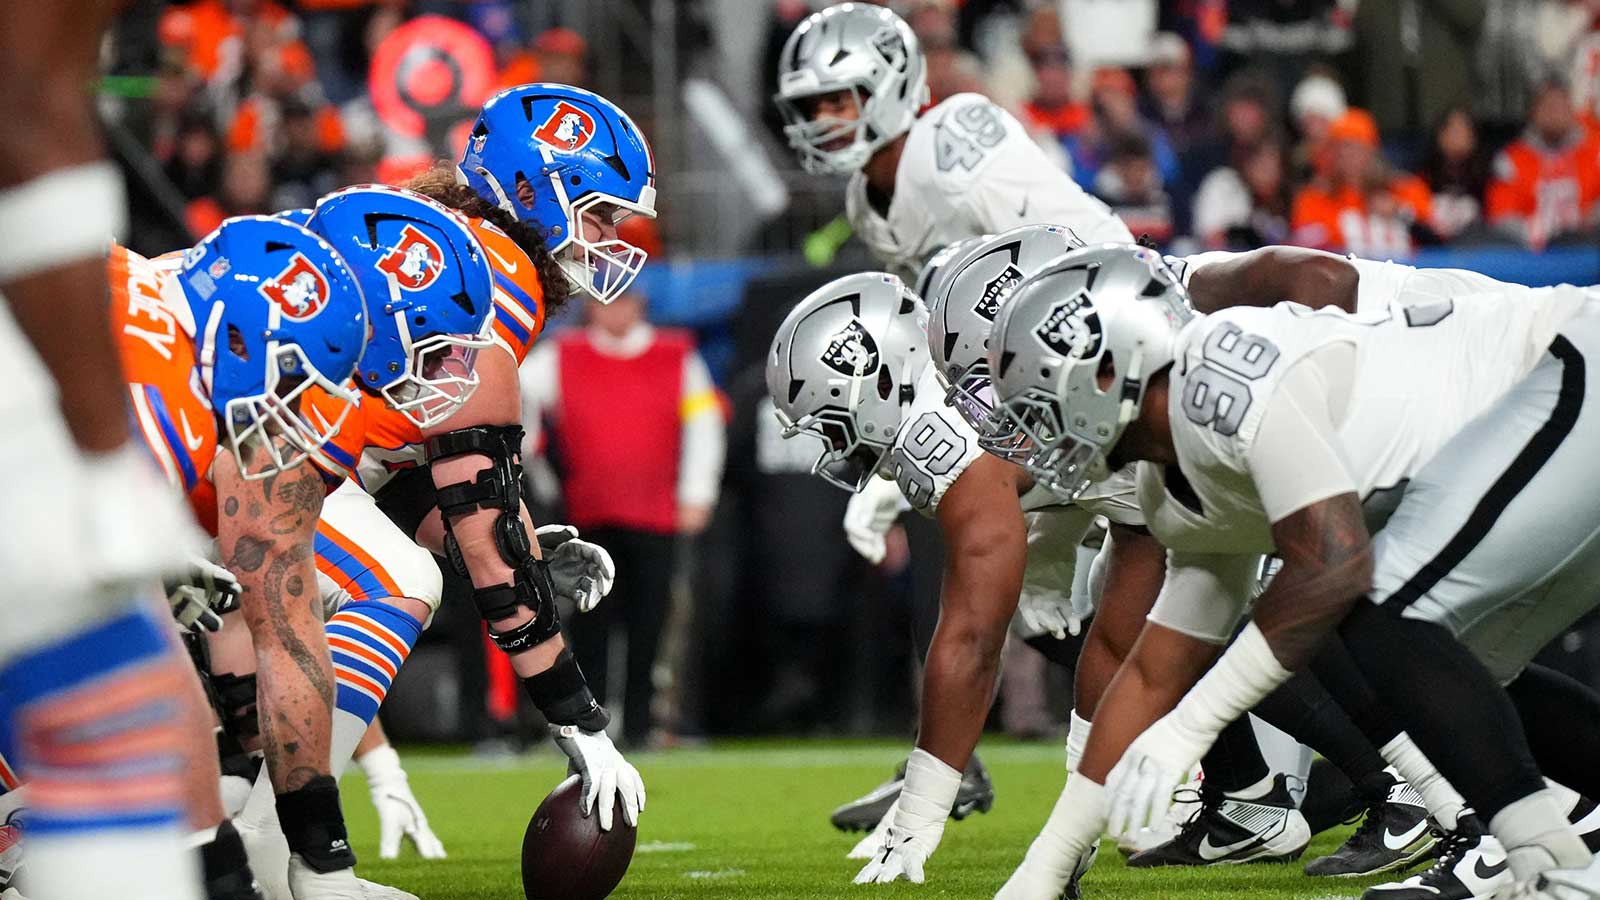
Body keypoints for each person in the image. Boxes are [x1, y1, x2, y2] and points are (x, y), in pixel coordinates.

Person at [986, 243, 1600, 900]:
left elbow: (1334, 566)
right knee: (1457, 675)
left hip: (1567, 360)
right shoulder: (1173, 487)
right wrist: (1045, 868)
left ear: (1110, 369)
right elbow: (1150, 671)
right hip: (1548, 406)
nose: (1034, 432)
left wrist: (1190, 728)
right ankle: (1560, 855)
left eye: (1041, 398)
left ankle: (1546, 862)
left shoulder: (1219, 367)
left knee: (1376, 609)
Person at [772, 0, 1133, 827]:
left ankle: (1243, 766)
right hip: (1029, 402)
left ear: (895, 85)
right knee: (1015, 586)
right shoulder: (870, 198)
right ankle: (951, 756)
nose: (826, 120)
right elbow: (934, 340)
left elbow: (1095, 242)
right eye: (813, 108)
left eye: (842, 98)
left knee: (1185, 576)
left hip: (1096, 376)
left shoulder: (955, 136)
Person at [119, 215, 374, 900]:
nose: (292, 405)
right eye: (289, 374)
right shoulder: (159, 404)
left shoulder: (157, 302)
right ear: (236, 338)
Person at [520, 288, 726, 747]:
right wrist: (532, 474)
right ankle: (590, 723)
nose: (615, 311)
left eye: (624, 300)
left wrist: (697, 493)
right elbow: (516, 401)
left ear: (641, 305)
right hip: (589, 515)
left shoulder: (676, 356)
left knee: (650, 622)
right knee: (590, 626)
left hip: (656, 514)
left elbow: (704, 425)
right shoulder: (561, 356)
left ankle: (641, 725)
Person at [1486, 79, 1600, 250]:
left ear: (1571, 110)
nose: (1554, 114)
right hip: (1531, 256)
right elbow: (1501, 213)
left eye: (1560, 107)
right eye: (1547, 107)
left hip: (1586, 250)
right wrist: (1533, 233)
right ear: (1533, 112)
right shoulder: (1510, 160)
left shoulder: (1595, 153)